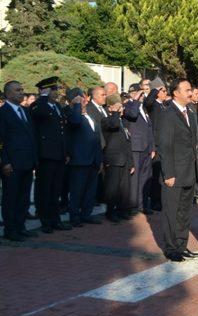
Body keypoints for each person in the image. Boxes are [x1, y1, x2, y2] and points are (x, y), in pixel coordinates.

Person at [156, 78, 198, 262]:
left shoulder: (190, 112)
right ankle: (171, 248)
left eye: (191, 89)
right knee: (172, 213)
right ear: (176, 93)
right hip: (174, 174)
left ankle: (182, 245)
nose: (191, 93)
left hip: (189, 172)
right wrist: (169, 174)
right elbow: (164, 146)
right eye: (187, 89)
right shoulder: (168, 114)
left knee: (184, 212)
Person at [30, 76, 72, 233]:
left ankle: (55, 219)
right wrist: (42, 96)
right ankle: (45, 220)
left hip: (59, 154)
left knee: (56, 189)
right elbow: (39, 114)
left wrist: (66, 151)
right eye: (54, 89)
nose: (58, 92)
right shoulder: (38, 105)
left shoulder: (57, 107)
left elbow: (63, 132)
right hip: (46, 155)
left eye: (57, 89)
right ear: (45, 91)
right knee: (45, 189)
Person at [0, 81, 38, 241]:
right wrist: (5, 162)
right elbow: (1, 140)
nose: (21, 92)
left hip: (26, 162)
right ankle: (10, 229)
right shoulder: (3, 112)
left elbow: (31, 136)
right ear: (8, 93)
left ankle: (21, 226)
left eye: (22, 90)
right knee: (11, 198)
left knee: (23, 197)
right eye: (17, 90)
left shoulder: (25, 111)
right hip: (12, 163)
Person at [65, 88, 103, 227]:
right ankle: (74, 216)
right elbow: (75, 122)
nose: (84, 100)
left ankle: (86, 214)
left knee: (90, 190)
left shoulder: (89, 115)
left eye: (84, 98)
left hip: (93, 159)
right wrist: (75, 105)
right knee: (77, 190)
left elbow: (96, 138)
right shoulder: (72, 114)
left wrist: (99, 160)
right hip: (79, 159)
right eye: (80, 98)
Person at [102, 94, 135, 222]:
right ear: (110, 108)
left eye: (121, 107)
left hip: (125, 160)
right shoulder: (107, 120)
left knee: (124, 188)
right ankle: (111, 212)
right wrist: (115, 112)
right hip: (113, 160)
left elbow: (128, 143)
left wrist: (131, 161)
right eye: (118, 107)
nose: (121, 109)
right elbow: (113, 125)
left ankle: (123, 210)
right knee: (113, 189)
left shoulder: (123, 123)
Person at [123, 84, 155, 215]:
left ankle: (143, 205)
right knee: (135, 178)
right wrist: (135, 100)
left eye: (142, 94)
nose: (142, 96)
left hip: (146, 148)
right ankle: (133, 205)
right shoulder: (128, 106)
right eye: (139, 93)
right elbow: (132, 115)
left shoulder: (143, 108)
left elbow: (149, 129)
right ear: (132, 94)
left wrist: (152, 147)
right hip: (136, 148)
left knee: (145, 177)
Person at [144, 77, 168, 211]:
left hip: (165, 143)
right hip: (156, 144)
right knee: (156, 174)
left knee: (163, 174)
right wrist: (154, 90)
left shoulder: (164, 105)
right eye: (162, 90)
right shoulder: (153, 105)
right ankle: (155, 201)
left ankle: (161, 199)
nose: (165, 93)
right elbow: (147, 102)